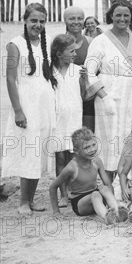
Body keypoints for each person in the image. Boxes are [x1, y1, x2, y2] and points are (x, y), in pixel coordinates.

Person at [85, 0, 132, 181]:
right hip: (110, 94)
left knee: (130, 138)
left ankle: (126, 183)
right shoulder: (100, 40)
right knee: (109, 140)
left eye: (126, 15)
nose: (122, 19)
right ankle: (107, 184)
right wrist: (104, 97)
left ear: (131, 18)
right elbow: (89, 72)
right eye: (118, 15)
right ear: (111, 16)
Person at [2, 3, 56, 216]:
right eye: (34, 20)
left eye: (42, 21)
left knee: (39, 151)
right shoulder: (15, 44)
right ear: (25, 20)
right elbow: (10, 78)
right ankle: (23, 201)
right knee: (29, 151)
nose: (38, 25)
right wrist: (17, 110)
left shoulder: (46, 42)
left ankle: (31, 199)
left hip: (44, 104)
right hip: (27, 103)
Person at [49, 127, 127, 224]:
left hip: (96, 198)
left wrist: (109, 201)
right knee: (95, 194)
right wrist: (56, 211)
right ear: (76, 151)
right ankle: (107, 217)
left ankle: (117, 211)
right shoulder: (71, 167)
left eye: (94, 145)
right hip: (80, 204)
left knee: (104, 188)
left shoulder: (97, 161)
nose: (92, 150)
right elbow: (53, 187)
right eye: (86, 147)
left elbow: (108, 184)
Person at [50, 34, 85, 208]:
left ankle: (73, 190)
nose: (74, 54)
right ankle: (63, 194)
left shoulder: (78, 70)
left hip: (73, 118)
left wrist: (84, 81)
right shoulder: (49, 71)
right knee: (60, 157)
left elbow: (84, 95)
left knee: (73, 156)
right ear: (58, 54)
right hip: (57, 120)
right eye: (71, 51)